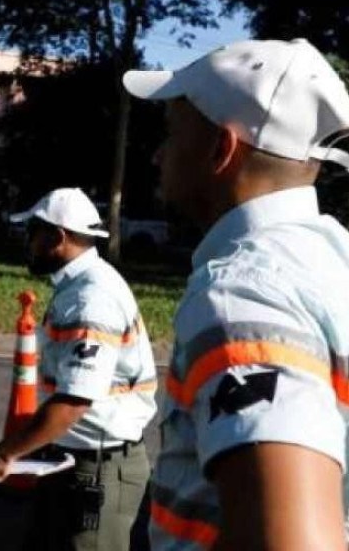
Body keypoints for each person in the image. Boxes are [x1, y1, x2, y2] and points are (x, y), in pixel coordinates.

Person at [122, 38, 349, 550]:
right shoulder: (331, 262)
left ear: (221, 150)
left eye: (171, 133)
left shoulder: (245, 292)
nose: (158, 154)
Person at [0, 187, 157, 551]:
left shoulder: (92, 298)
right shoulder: (78, 286)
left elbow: (75, 400)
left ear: (57, 237)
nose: (27, 242)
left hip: (96, 471)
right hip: (71, 462)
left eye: (33, 232)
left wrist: (5, 453)